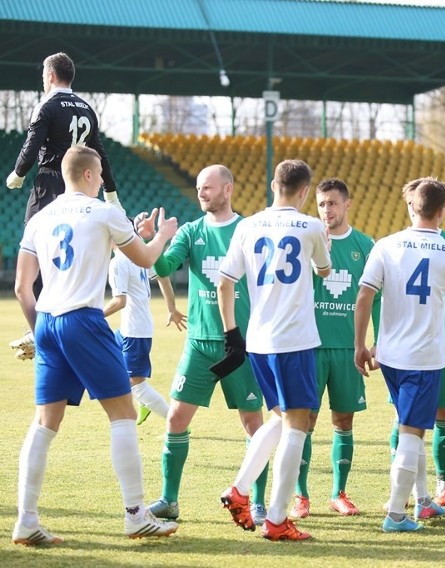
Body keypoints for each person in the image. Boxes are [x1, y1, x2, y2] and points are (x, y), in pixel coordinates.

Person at [12, 146, 178, 545]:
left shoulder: (40, 218)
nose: (104, 180)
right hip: (84, 319)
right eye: (101, 173)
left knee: (44, 423)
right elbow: (144, 259)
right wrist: (165, 237)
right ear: (87, 174)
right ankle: (137, 514)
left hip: (49, 321)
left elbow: (21, 287)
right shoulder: (106, 213)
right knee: (123, 412)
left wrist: (39, 332)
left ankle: (26, 520)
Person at [218, 159, 331, 541]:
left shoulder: (247, 225)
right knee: (298, 426)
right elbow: (325, 270)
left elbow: (224, 283)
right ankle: (279, 519)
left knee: (281, 418)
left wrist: (232, 333)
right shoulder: (312, 226)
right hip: (295, 340)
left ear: (272, 185)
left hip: (259, 340)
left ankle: (239, 489)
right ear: (304, 191)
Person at [149, 165, 267, 523]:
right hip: (199, 343)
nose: (201, 193)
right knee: (176, 418)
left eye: (208, 188)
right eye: (199, 187)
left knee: (254, 426)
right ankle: (169, 500)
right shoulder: (191, 231)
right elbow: (166, 265)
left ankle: (257, 502)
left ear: (227, 189)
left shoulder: (248, 230)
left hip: (240, 345)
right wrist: (152, 242)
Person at [354, 177, 445, 532]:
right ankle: (395, 515)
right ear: (442, 210)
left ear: (412, 207)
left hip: (388, 355)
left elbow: (364, 297)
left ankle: (422, 501)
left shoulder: (385, 245)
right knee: (411, 433)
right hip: (424, 357)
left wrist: (361, 344)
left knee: (411, 427)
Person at [7, 52, 123, 356]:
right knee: (72, 256)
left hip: (51, 184)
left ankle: (42, 331)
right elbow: (101, 154)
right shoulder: (87, 108)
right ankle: (69, 323)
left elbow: (32, 145)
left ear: (49, 76)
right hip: (84, 188)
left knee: (35, 253)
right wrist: (110, 191)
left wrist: (18, 173)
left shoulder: (47, 105)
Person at [388, 183, 445, 510]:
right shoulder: (395, 245)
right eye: (410, 202)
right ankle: (408, 493)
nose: (414, 207)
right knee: (404, 417)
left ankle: (443, 487)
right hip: (408, 346)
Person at [289, 178, 376, 519]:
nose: (327, 210)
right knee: (304, 421)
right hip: (309, 347)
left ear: (347, 204)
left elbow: (377, 297)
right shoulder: (307, 240)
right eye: (322, 204)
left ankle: (339, 493)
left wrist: (377, 340)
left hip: (346, 349)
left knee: (343, 420)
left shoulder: (364, 245)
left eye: (333, 203)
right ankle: (301, 496)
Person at [104, 213, 187, 426]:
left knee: (137, 386)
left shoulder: (118, 263)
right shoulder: (139, 256)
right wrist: (172, 308)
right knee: (103, 353)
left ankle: (176, 424)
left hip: (135, 332)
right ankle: (143, 403)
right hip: (130, 329)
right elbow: (162, 275)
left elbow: (119, 301)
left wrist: (91, 317)